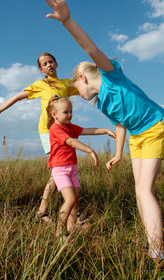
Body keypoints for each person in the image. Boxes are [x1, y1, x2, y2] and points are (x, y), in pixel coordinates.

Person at [43, 0, 164, 259]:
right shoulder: (102, 103)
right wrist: (118, 154)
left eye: (76, 87)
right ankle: (152, 243)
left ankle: (158, 252)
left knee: (144, 190)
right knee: (139, 192)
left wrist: (67, 21)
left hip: (153, 131)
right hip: (136, 137)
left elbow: (90, 47)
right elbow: (122, 124)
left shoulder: (111, 75)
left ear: (83, 78)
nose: (78, 94)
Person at [0, 52, 79, 223]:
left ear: (56, 63)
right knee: (59, 169)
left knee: (61, 170)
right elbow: (17, 97)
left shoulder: (66, 84)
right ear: (41, 69)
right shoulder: (41, 84)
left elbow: (87, 89)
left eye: (51, 61)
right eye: (45, 64)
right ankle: (44, 211)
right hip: (48, 131)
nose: (49, 65)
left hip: (65, 131)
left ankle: (57, 212)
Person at [46, 94, 116, 241]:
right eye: (66, 112)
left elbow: (88, 130)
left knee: (76, 199)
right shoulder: (56, 128)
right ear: (54, 115)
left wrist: (105, 130)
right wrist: (90, 150)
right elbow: (70, 142)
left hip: (72, 169)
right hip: (60, 170)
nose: (70, 115)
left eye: (71, 112)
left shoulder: (70, 127)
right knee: (70, 199)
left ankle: (72, 228)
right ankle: (60, 230)